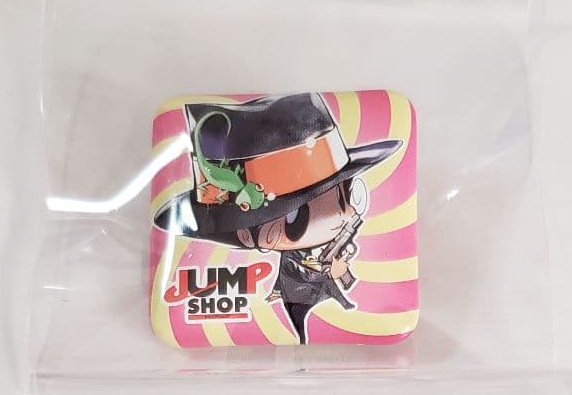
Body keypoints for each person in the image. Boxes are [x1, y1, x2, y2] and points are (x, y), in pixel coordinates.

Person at [153, 93, 401, 343]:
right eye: (296, 215)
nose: (342, 214)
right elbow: (293, 275)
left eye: (346, 194)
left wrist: (338, 270)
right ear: (247, 235)